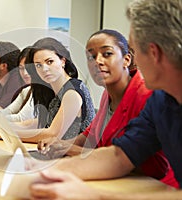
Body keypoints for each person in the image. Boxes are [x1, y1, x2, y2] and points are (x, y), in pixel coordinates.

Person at [29, 0, 182, 199]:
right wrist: (48, 172)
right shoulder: (161, 101)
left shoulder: (147, 95)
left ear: (153, 53)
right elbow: (120, 155)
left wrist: (96, 196)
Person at [0, 37, 95, 144]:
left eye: (49, 62)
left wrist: (4, 133)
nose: (44, 69)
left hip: (78, 157)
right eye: (38, 65)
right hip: (58, 153)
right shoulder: (52, 90)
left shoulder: (72, 91)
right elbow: (39, 123)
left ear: (63, 61)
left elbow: (52, 134)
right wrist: (0, 125)